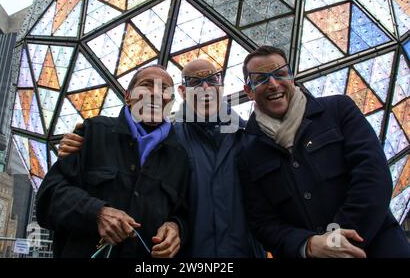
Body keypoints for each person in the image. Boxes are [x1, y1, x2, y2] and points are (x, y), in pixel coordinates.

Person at [59, 59, 264, 258]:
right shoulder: (171, 142)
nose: (205, 87)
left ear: (221, 85)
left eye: (212, 79)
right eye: (194, 82)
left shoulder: (251, 136)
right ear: (183, 93)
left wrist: (176, 225)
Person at [238, 45, 410, 258]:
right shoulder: (247, 151)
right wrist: (308, 245)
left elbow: (373, 176)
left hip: (379, 248)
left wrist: (337, 241)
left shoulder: (338, 110)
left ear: (291, 77)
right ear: (248, 91)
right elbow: (262, 222)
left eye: (279, 74)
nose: (273, 84)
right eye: (261, 79)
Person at [36, 65, 190, 258]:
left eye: (165, 89)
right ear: (127, 96)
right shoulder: (92, 132)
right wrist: (96, 213)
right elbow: (47, 198)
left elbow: (184, 213)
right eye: (146, 85)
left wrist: (176, 228)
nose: (156, 94)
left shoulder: (180, 156)